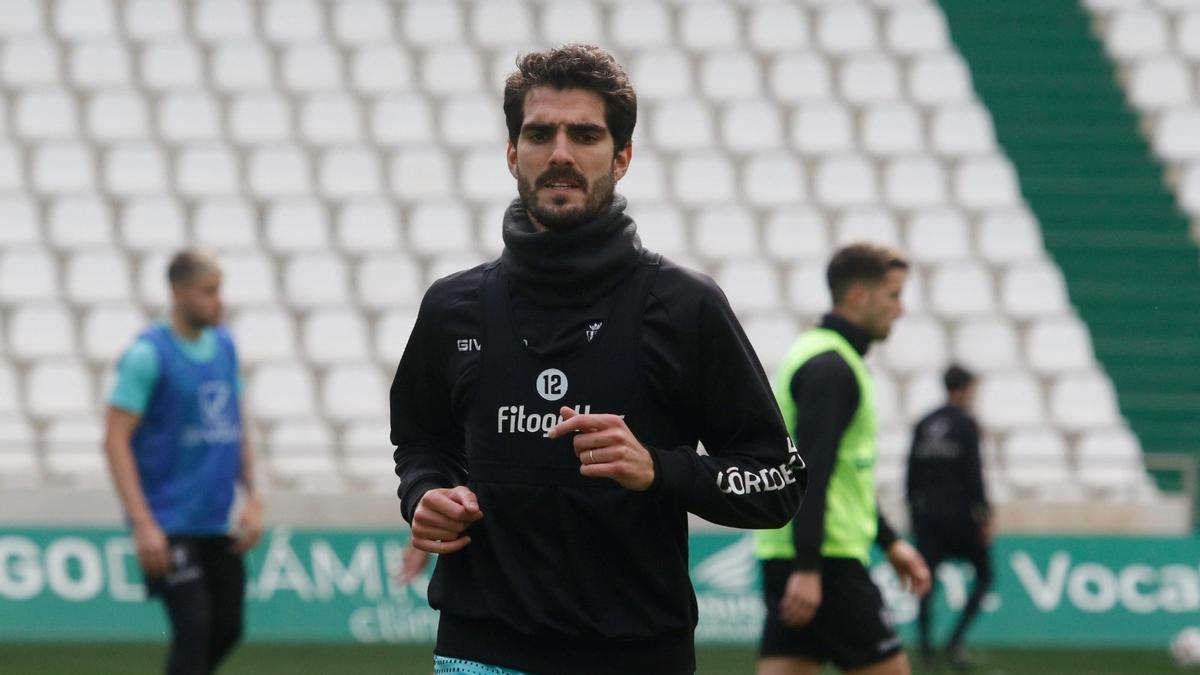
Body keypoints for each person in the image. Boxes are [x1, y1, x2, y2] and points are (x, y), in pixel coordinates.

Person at [390, 44, 806, 675]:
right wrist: (425, 493)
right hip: (480, 651)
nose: (560, 153)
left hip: (638, 656)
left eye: (585, 134)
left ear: (622, 157)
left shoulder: (684, 305)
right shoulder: (454, 307)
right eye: (539, 134)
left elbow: (778, 480)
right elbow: (421, 440)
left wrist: (659, 470)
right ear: (512, 154)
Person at [755, 243, 932, 675]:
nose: (901, 308)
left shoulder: (818, 353)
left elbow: (839, 474)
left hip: (789, 555)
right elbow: (812, 472)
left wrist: (889, 542)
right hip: (826, 564)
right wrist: (810, 566)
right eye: (893, 295)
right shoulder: (833, 368)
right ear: (858, 296)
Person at [103, 250, 263, 675]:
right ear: (178, 292)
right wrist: (142, 522)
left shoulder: (225, 345)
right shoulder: (147, 354)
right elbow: (115, 439)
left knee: (227, 628)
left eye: (219, 291)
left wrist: (253, 495)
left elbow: (234, 422)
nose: (219, 302)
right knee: (193, 630)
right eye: (208, 292)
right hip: (169, 522)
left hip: (216, 520)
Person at [906, 365, 992, 672]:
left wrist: (913, 515)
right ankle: (954, 641)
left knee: (925, 582)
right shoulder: (967, 424)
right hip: (960, 517)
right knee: (984, 576)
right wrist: (985, 516)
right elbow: (974, 474)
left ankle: (926, 648)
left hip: (928, 517)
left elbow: (911, 474)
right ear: (966, 388)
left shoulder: (924, 423)